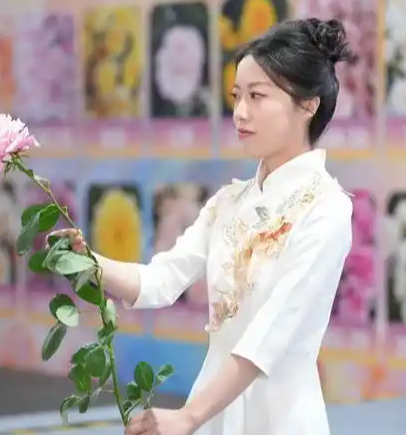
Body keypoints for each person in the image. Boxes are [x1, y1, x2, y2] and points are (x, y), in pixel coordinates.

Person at [51, 17, 354, 435]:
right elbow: (160, 280)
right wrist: (89, 263)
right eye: (236, 96)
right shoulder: (229, 202)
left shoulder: (327, 208)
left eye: (257, 96)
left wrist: (189, 416)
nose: (240, 112)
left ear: (308, 105)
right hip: (213, 410)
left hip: (279, 417)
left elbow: (271, 335)